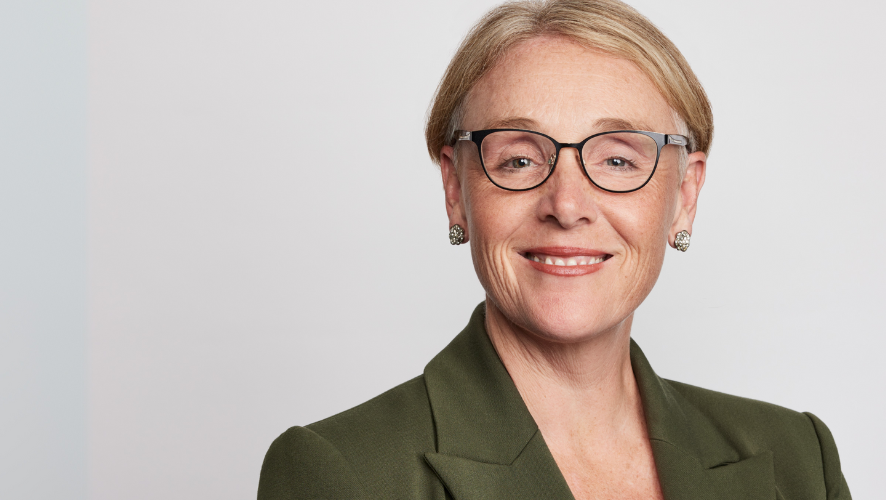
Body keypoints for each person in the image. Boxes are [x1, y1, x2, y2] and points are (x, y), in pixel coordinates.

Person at [257, 1, 851, 498]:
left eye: (618, 159)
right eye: (518, 159)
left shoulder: (798, 460)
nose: (566, 205)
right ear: (455, 190)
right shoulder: (342, 474)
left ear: (685, 195)